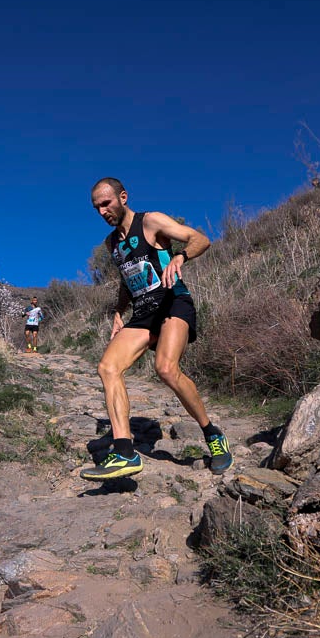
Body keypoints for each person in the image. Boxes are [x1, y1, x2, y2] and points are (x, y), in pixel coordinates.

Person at [81, 177, 232, 481]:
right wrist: (118, 312)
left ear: (123, 197)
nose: (102, 211)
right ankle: (125, 452)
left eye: (106, 203)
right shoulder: (112, 244)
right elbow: (127, 280)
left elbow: (200, 239)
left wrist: (180, 256)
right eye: (97, 208)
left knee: (166, 369)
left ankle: (212, 433)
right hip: (143, 312)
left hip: (173, 302)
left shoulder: (150, 222)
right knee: (108, 367)